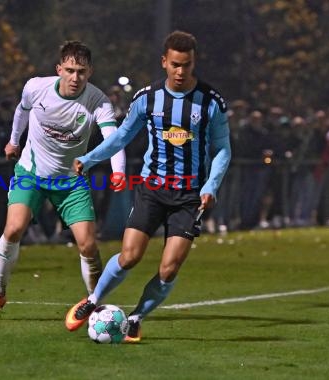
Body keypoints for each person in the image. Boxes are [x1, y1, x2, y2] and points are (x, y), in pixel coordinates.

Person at [64, 31, 231, 342]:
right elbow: (122, 136)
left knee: (169, 268)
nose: (181, 72)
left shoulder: (210, 102)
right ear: (164, 62)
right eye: (176, 65)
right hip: (152, 188)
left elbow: (223, 149)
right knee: (129, 256)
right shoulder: (147, 99)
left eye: (188, 65)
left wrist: (211, 186)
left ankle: (136, 317)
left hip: (190, 197)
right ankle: (92, 299)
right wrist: (88, 159)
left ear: (194, 63)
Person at [0, 40, 126, 320]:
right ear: (59, 69)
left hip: (71, 181)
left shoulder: (98, 100)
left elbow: (114, 138)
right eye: (69, 70)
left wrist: (118, 171)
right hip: (31, 173)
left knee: (88, 246)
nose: (75, 77)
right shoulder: (36, 87)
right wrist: (12, 141)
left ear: (89, 72)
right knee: (15, 228)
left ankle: (94, 304)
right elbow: (22, 110)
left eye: (81, 71)